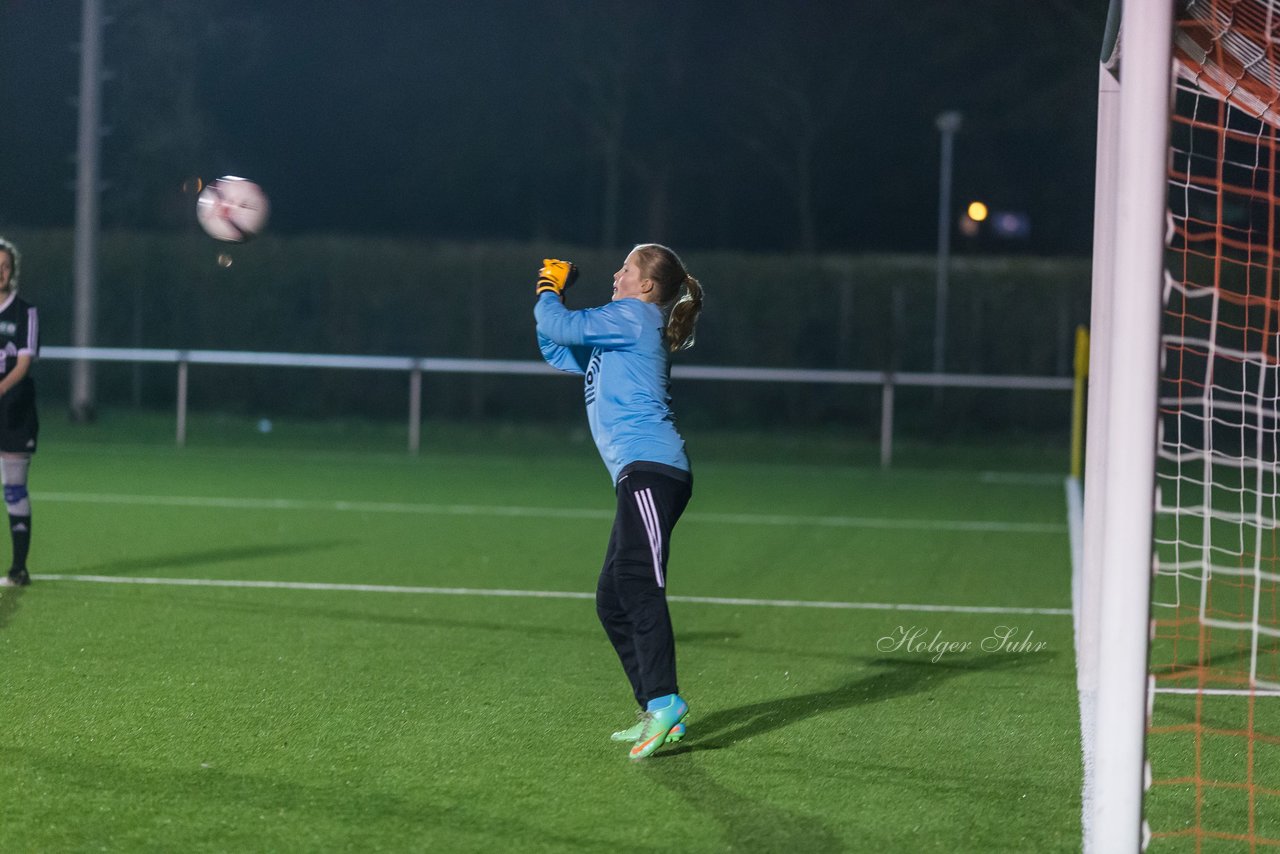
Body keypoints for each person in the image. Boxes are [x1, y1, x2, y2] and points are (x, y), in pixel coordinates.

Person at [533, 244, 704, 761]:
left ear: (647, 286)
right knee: (612, 599)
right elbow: (557, 345)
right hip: (638, 475)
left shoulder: (634, 315)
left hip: (654, 470)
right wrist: (552, 305)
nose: (616, 273)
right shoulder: (620, 326)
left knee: (637, 583)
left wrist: (548, 289)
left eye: (626, 268)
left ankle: (667, 701)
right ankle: (656, 706)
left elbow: (559, 325)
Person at [0, 238, 39, 588]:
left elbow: (23, 364)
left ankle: (19, 568)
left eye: (5, 266)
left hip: (14, 411)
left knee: (13, 489)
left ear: (12, 272)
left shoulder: (24, 311)